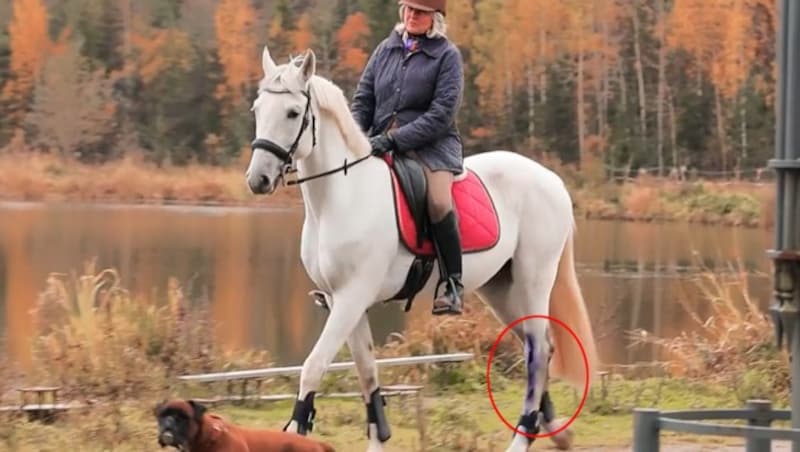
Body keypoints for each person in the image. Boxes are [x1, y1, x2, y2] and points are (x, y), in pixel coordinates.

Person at [350, 0, 466, 316]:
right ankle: (343, 274)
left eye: (421, 12)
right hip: (378, 142)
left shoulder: (447, 56)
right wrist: (354, 138)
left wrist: (393, 139)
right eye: (408, 9)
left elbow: (441, 114)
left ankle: (453, 284)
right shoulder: (384, 50)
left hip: (432, 146)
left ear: (435, 18)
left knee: (439, 201)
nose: (412, 15)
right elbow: (363, 101)